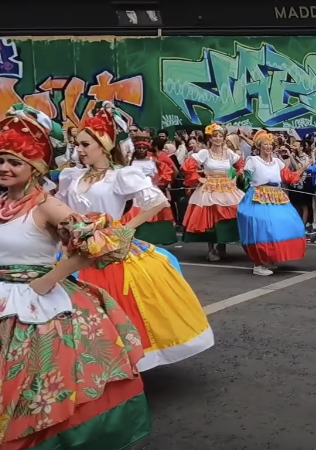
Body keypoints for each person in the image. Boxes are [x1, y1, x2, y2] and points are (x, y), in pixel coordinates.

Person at [0, 106, 150, 449]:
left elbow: (100, 243)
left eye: (14, 162)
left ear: (35, 168)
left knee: (28, 390)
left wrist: (49, 279)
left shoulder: (47, 207)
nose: (3, 168)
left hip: (33, 309)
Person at [59, 108, 214, 369]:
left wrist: (124, 229)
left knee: (114, 305)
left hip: (109, 250)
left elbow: (157, 201)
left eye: (86, 144)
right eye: (77, 145)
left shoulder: (120, 175)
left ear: (104, 146)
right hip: (73, 249)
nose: (79, 150)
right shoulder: (71, 175)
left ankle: (115, 362)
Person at [237, 130, 308, 276]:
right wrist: (241, 177)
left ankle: (270, 258)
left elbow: (290, 177)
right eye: (265, 144)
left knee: (288, 223)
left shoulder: (277, 162)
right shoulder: (253, 160)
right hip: (258, 196)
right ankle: (259, 263)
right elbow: (245, 181)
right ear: (259, 146)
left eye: (270, 144)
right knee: (263, 227)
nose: (268, 147)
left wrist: (304, 168)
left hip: (276, 197)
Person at [181, 122, 245, 261]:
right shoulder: (205, 153)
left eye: (220, 136)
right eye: (214, 136)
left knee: (227, 216)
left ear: (223, 138)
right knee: (209, 217)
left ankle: (222, 247)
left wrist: (238, 174)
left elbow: (240, 163)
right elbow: (187, 166)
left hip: (226, 187)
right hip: (209, 188)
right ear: (210, 139)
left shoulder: (228, 153)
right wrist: (198, 178)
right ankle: (211, 250)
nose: (217, 139)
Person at [125, 129, 177, 245]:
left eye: (144, 148)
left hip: (150, 190)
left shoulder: (153, 161)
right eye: (139, 148)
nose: (142, 150)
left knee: (155, 212)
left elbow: (168, 171)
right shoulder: (129, 161)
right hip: (134, 192)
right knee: (134, 214)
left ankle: (152, 241)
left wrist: (158, 182)